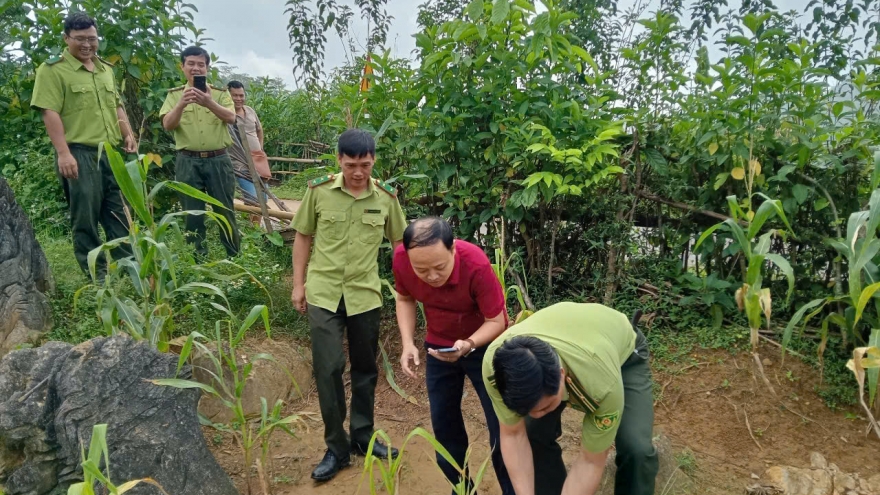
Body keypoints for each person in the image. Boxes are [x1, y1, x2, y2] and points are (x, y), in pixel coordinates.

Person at [290, 129, 408, 482]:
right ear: (339, 159)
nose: (359, 172)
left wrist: (409, 289)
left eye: (366, 165)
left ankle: (363, 436)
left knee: (365, 370)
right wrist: (299, 284)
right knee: (328, 369)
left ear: (374, 160)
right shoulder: (319, 192)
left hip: (364, 294)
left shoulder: (386, 197)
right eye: (352, 164)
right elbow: (303, 235)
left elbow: (401, 243)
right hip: (324, 293)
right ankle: (336, 448)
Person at [482, 302, 658, 495]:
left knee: (636, 450)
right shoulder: (497, 367)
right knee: (532, 433)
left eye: (545, 407)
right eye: (525, 410)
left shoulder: (602, 385)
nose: (536, 414)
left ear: (561, 375)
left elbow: (591, 460)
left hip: (622, 355)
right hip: (570, 340)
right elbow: (513, 435)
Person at [392, 217, 514, 494]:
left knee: (501, 427)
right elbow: (404, 298)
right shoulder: (401, 259)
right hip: (439, 348)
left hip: (483, 345)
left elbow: (497, 321)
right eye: (422, 269)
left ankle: (512, 489)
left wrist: (469, 344)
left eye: (439, 267)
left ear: (453, 250)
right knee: (444, 422)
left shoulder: (476, 264)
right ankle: (460, 488)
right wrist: (408, 343)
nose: (432, 276)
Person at [31, 12, 136, 278]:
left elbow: (117, 105)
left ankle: (131, 273)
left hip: (111, 155)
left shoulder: (105, 70)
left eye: (92, 38)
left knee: (120, 215)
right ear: (67, 38)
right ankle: (98, 279)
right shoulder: (53, 70)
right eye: (80, 39)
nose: (87, 44)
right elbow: (49, 112)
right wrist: (63, 153)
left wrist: (127, 133)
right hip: (80, 154)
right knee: (85, 219)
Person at [160, 46, 239, 258]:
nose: (196, 68)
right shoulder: (174, 96)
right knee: (192, 214)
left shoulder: (220, 95)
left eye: (201, 64)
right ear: (182, 67)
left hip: (218, 160)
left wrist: (208, 102)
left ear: (207, 68)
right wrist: (181, 105)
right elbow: (167, 124)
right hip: (187, 162)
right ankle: (198, 263)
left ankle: (234, 257)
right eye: (191, 64)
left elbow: (231, 118)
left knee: (225, 211)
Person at [225, 80, 267, 199]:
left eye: (241, 95)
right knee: (252, 199)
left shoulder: (250, 111)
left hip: (258, 162)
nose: (239, 98)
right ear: (228, 96)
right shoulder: (226, 114)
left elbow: (259, 130)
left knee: (263, 198)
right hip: (240, 164)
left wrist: (260, 149)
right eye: (235, 95)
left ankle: (254, 218)